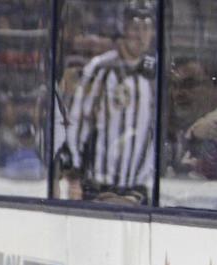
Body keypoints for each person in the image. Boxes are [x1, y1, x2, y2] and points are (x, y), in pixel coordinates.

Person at [59, 0, 158, 204]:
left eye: (146, 28)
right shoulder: (101, 69)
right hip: (100, 189)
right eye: (135, 28)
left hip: (138, 191)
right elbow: (78, 123)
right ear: (123, 29)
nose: (141, 36)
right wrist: (74, 177)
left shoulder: (154, 73)